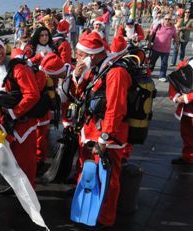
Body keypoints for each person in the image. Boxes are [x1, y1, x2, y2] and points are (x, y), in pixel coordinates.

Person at [73, 31, 132, 228]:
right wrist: (77, 76)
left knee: (108, 179)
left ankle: (105, 218)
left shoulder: (115, 72)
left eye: (80, 54)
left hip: (107, 137)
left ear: (91, 55)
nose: (77, 58)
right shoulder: (97, 68)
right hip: (91, 131)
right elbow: (83, 95)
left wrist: (104, 139)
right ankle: (89, 211)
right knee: (90, 172)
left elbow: (115, 108)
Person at [0, 38, 41, 185]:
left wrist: (14, 113)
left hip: (23, 125)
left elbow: (32, 94)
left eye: (0, 48)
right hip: (4, 125)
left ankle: (30, 201)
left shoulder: (18, 69)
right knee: (9, 162)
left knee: (25, 164)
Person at [168, 60, 193, 165]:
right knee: (186, 134)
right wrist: (176, 97)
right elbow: (175, 79)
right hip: (186, 109)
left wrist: (187, 97)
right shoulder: (186, 63)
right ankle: (188, 157)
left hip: (188, 102)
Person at [149, 14, 178, 82]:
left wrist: (177, 45)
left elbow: (176, 36)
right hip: (156, 48)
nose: (167, 20)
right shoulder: (159, 25)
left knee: (164, 64)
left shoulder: (173, 28)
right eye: (166, 19)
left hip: (166, 50)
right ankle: (149, 72)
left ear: (171, 20)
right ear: (163, 19)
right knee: (152, 62)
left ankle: (162, 76)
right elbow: (152, 33)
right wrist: (149, 42)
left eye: (169, 19)